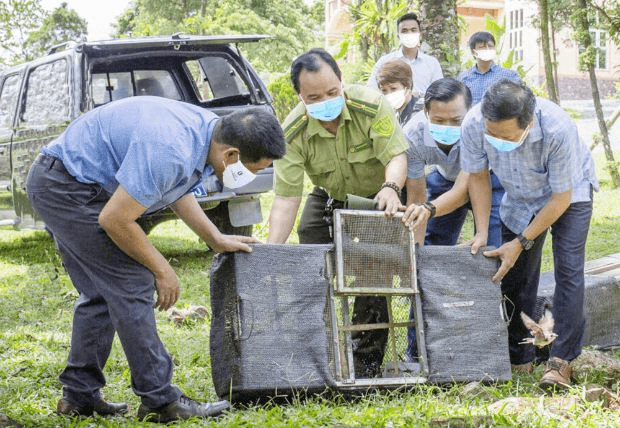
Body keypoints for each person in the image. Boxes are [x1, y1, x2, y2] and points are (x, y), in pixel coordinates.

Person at [25, 97, 286, 422]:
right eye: (253, 169)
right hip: (66, 188)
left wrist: (215, 238)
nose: (251, 176)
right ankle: (161, 401)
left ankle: (79, 396)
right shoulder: (172, 147)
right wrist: (162, 270)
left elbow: (176, 187)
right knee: (133, 282)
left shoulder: (207, 133)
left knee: (99, 293)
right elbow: (116, 219)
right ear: (231, 155)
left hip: (68, 181)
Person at [266, 48, 408, 378]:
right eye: (314, 97)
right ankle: (317, 346)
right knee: (310, 250)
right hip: (329, 194)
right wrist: (271, 251)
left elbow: (397, 156)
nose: (327, 102)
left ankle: (364, 361)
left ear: (341, 82)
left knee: (374, 267)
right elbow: (286, 199)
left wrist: (390, 187)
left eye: (333, 92)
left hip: (377, 194)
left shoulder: (370, 106)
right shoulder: (292, 131)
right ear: (300, 96)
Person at [460, 79, 598, 388]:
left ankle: (561, 360)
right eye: (491, 134)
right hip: (519, 197)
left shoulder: (557, 129)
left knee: (568, 271)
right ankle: (519, 357)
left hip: (568, 194)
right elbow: (478, 177)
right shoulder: (473, 123)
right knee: (515, 275)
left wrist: (521, 241)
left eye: (506, 136)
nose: (496, 141)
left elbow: (560, 198)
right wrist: (482, 231)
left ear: (529, 122)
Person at [401, 77, 504, 360]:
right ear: (425, 114)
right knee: (428, 260)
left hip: (490, 181)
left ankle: (490, 346)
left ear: (469, 113)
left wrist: (431, 210)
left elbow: (464, 191)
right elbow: (416, 196)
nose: (447, 127)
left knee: (491, 254)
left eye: (455, 120)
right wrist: (417, 251)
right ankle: (417, 350)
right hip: (443, 181)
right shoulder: (412, 133)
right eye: (439, 120)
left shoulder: (479, 127)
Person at [367, 12, 443, 103]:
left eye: (413, 30)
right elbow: (371, 90)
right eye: (404, 31)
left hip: (423, 112)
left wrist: (418, 96)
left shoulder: (432, 63)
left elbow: (440, 93)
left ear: (420, 34)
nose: (409, 34)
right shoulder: (385, 61)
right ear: (398, 36)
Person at [458, 31, 521, 105]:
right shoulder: (463, 78)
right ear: (473, 52)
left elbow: (521, 99)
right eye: (482, 47)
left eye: (490, 46)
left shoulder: (509, 76)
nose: (487, 49)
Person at [376, 59, 420, 126]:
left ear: (407, 86)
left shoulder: (419, 114)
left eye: (393, 89)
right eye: (384, 91)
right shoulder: (395, 113)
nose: (389, 94)